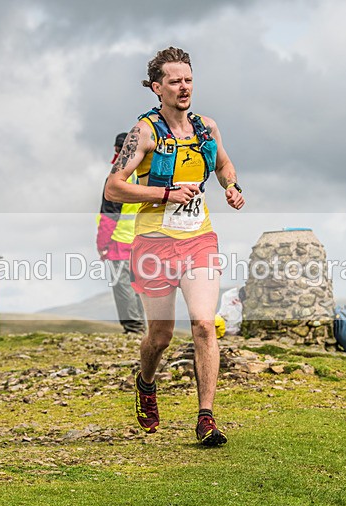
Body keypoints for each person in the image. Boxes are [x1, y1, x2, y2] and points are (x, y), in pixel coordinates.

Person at [104, 46, 245, 446]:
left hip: (199, 239)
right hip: (153, 244)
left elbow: (223, 165)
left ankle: (206, 418)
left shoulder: (206, 128)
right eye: (174, 81)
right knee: (161, 335)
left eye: (188, 80)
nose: (183, 87)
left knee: (203, 323)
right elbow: (113, 187)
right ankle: (146, 382)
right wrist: (165, 194)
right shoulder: (144, 133)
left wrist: (231, 187)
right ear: (157, 87)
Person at [97, 133, 146, 335]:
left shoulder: (117, 178)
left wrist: (102, 244)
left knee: (123, 285)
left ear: (118, 150)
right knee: (139, 285)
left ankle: (134, 328)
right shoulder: (145, 174)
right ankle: (141, 326)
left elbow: (109, 216)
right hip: (144, 240)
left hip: (120, 240)